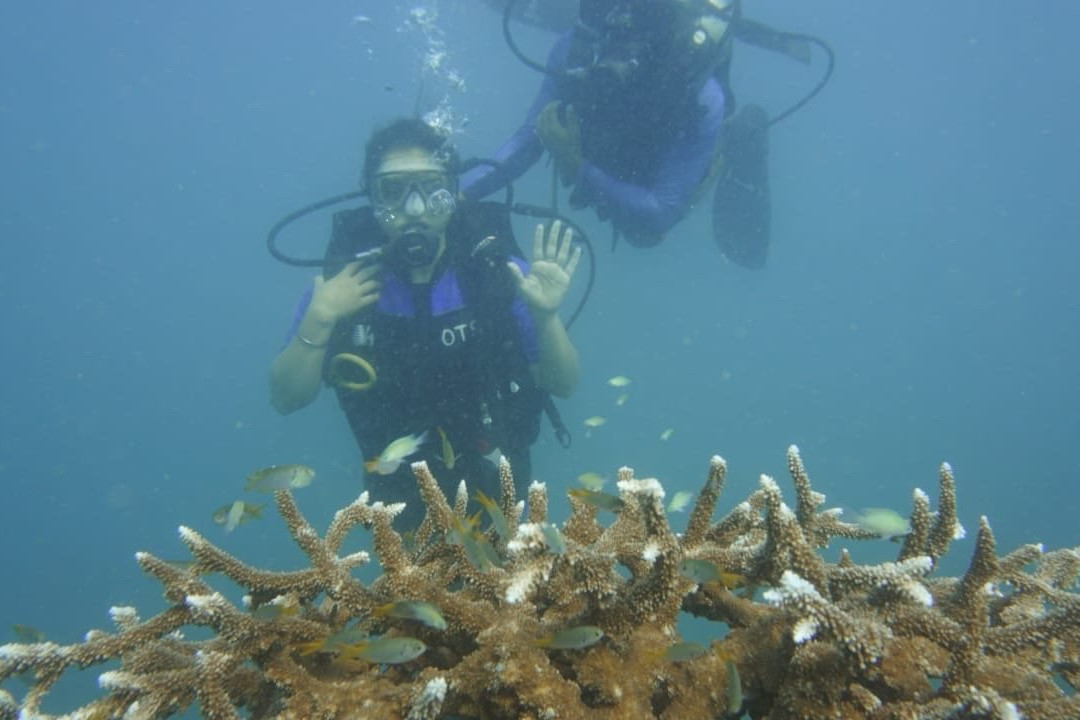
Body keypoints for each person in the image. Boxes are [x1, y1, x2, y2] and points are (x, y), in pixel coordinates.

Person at [270, 118, 581, 528]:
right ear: (371, 196)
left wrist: (546, 317)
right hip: (398, 508)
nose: (414, 209)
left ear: (453, 192)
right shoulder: (337, 289)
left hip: (502, 498)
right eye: (393, 191)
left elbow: (563, 383)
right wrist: (321, 317)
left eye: (430, 187)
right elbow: (285, 398)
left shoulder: (497, 273)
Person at [462, 0, 763, 254]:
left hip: (649, 177)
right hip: (601, 160)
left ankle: (744, 134)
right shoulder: (581, 47)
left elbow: (660, 212)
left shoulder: (700, 95)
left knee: (643, 236)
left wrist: (576, 164)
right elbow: (531, 138)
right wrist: (455, 195)